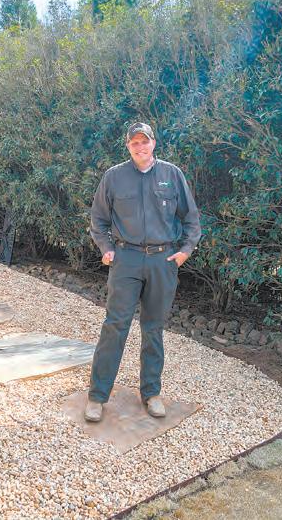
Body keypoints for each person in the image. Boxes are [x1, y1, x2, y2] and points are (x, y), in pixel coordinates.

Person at [85, 122, 201, 422]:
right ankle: (97, 396)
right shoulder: (114, 177)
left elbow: (191, 218)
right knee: (115, 325)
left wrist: (185, 251)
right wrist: (106, 248)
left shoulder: (172, 175)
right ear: (128, 146)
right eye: (134, 142)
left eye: (144, 141)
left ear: (153, 143)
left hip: (163, 261)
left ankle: (151, 393)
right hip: (126, 259)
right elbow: (98, 219)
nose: (140, 147)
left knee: (153, 328)